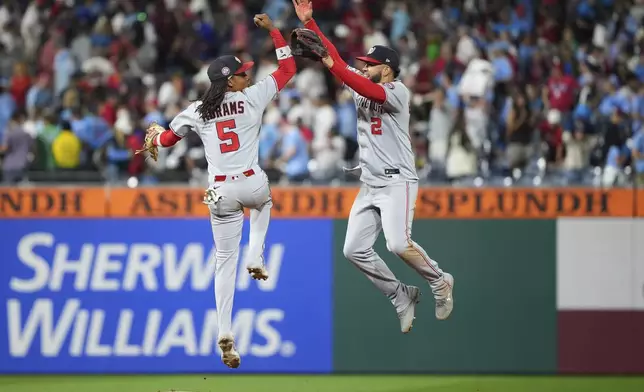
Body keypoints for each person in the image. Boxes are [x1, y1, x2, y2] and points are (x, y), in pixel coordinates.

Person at [136, 14, 296, 369]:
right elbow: (287, 70)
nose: (248, 75)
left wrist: (153, 138)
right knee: (265, 203)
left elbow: (164, 140)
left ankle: (225, 330)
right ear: (230, 79)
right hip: (252, 181)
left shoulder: (197, 110)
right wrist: (274, 32)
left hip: (219, 191)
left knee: (224, 263)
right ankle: (257, 254)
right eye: (243, 72)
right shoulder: (253, 97)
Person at [292, 0, 454, 333]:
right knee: (353, 249)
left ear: (388, 67)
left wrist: (332, 64)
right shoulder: (361, 85)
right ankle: (400, 295)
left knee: (397, 244)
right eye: (364, 64)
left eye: (371, 64)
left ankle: (439, 281)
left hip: (398, 182)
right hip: (370, 183)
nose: (365, 68)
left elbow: (361, 84)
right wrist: (311, 25)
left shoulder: (397, 92)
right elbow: (337, 62)